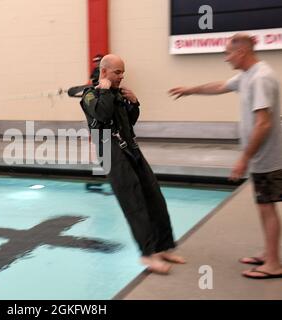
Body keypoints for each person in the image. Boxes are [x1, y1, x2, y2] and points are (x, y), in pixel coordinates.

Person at [169, 34, 282, 279]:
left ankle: (273, 264)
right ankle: (269, 253)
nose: (226, 58)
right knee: (264, 206)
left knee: (267, 207)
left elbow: (263, 124)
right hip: (261, 156)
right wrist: (191, 90)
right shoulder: (248, 75)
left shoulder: (261, 78)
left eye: (228, 53)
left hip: (266, 157)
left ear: (241, 52)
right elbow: (220, 86)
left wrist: (244, 157)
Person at [81, 54, 186, 274]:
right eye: (117, 72)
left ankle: (164, 246)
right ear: (104, 72)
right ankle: (148, 255)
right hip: (111, 155)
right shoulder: (90, 96)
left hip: (131, 149)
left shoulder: (117, 94)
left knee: (154, 196)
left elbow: (129, 121)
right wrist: (106, 90)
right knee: (135, 202)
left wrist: (135, 102)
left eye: (122, 73)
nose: (121, 77)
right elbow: (102, 113)